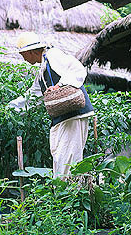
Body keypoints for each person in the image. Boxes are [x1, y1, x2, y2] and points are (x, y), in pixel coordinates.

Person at [8, 32, 94, 177]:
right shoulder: (42, 69)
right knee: (60, 157)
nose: (23, 58)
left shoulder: (53, 55)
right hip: (63, 118)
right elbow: (32, 96)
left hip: (73, 115)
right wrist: (9, 109)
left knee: (67, 160)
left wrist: (59, 85)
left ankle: (67, 195)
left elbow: (77, 69)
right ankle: (65, 193)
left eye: (23, 54)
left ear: (29, 52)